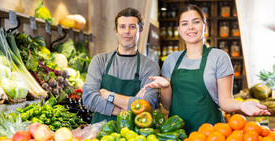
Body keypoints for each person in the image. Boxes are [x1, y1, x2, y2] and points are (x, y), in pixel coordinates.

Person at [141, 4, 269, 134]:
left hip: (213, 136)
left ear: (205, 26)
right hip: (178, 135)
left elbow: (226, 102)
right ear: (179, 30)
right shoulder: (170, 60)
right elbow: (168, 106)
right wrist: (166, 87)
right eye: (185, 24)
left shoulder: (219, 57)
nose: (190, 27)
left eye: (196, 22)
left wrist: (241, 105)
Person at [82, 8, 160, 124]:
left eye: (132, 27)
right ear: (116, 31)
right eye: (122, 26)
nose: (127, 31)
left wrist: (109, 95)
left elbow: (149, 102)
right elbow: (89, 98)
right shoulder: (99, 61)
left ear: (141, 30)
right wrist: (124, 109)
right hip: (100, 134)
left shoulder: (150, 66)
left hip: (135, 136)